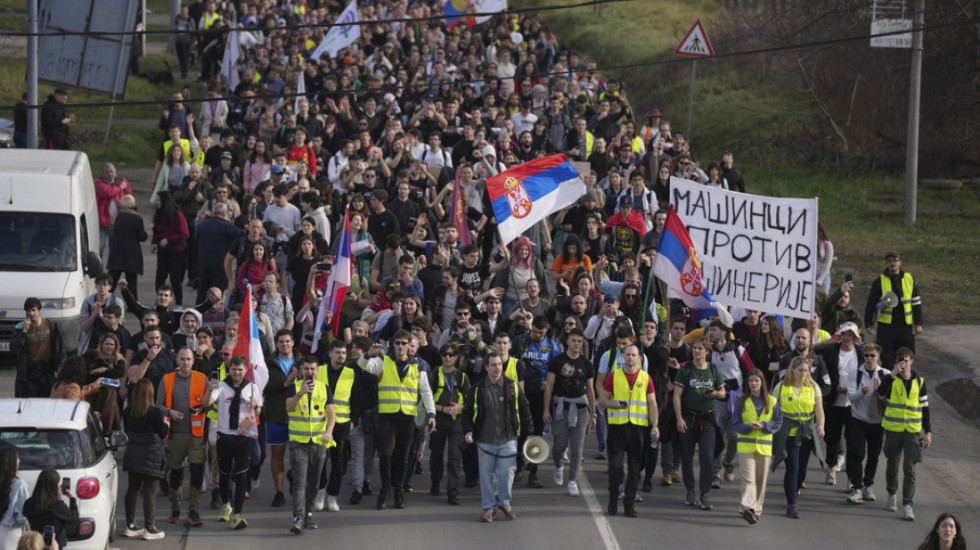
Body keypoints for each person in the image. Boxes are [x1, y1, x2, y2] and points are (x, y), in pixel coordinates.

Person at [356, 330, 436, 510]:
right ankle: (385, 490)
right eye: (397, 343)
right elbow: (363, 365)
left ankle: (398, 491)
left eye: (403, 343)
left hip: (407, 417)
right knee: (385, 454)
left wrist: (431, 414)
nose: (400, 347)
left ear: (409, 346)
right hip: (386, 416)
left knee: (403, 457)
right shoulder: (383, 362)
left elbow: (425, 392)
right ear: (393, 345)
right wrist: (368, 354)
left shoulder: (417, 366)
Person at [462, 352, 532, 523]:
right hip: (485, 440)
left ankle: (504, 502)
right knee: (486, 477)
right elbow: (467, 413)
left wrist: (529, 431)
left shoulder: (512, 386)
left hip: (508, 438)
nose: (497, 368)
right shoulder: (477, 389)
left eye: (499, 364)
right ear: (486, 367)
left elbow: (524, 409)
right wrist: (468, 431)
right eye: (493, 365)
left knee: (507, 472)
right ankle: (489, 509)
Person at [599, 344, 657, 518]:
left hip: (638, 428)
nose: (630, 358)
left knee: (634, 470)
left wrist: (655, 425)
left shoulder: (646, 378)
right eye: (627, 355)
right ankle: (613, 500)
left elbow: (652, 403)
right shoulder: (613, 376)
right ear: (622, 357)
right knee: (615, 467)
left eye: (633, 355)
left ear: (639, 358)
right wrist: (613, 404)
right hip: (617, 427)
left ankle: (629, 504)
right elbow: (603, 400)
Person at [158, 348, 212, 527]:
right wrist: (170, 412)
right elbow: (157, 405)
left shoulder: (201, 378)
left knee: (197, 471)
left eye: (188, 359)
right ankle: (175, 508)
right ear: (177, 361)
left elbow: (209, 404)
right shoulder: (167, 379)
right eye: (182, 359)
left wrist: (202, 408)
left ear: (193, 361)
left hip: (196, 434)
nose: (185, 362)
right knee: (176, 473)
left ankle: (194, 511)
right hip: (176, 433)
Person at [877, 347, 932, 521]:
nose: (903, 363)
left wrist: (928, 431)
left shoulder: (920, 382)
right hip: (893, 430)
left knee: (910, 468)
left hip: (913, 431)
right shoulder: (891, 379)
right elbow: (880, 392)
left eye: (906, 360)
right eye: (900, 360)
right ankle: (892, 493)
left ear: (912, 361)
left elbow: (925, 409)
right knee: (892, 464)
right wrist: (892, 373)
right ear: (896, 362)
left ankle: (908, 504)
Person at [673, 336, 725, 511]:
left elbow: (723, 392)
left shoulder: (714, 370)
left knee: (707, 457)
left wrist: (715, 394)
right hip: (688, 417)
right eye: (694, 348)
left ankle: (704, 494)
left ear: (707, 352)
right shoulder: (685, 370)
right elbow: (677, 396)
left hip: (707, 419)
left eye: (700, 349)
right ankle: (690, 490)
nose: (696, 351)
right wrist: (679, 418)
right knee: (686, 456)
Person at [542, 329, 596, 496]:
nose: (576, 344)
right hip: (561, 407)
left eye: (579, 341)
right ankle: (558, 465)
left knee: (577, 447)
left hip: (581, 408)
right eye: (574, 340)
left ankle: (573, 480)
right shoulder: (557, 361)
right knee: (559, 445)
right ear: (568, 341)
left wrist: (593, 413)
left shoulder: (586, 364)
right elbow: (549, 387)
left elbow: (590, 389)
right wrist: (546, 410)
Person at [211, 354, 262, 530]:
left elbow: (259, 410)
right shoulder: (221, 385)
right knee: (224, 474)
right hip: (224, 437)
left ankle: (238, 515)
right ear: (229, 369)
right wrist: (209, 393)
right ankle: (226, 503)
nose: (237, 373)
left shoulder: (252, 388)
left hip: (243, 437)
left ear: (246, 369)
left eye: (240, 369)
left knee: (241, 476)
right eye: (234, 369)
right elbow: (210, 400)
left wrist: (255, 406)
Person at [285, 356, 336, 534]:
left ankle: (309, 513)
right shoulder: (293, 387)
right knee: (299, 482)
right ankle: (297, 518)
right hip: (298, 443)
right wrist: (300, 393)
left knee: (314, 483)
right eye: (306, 369)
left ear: (317, 370)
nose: (309, 372)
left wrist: (329, 432)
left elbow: (331, 414)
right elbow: (289, 408)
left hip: (318, 443)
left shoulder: (324, 388)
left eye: (313, 369)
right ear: (301, 370)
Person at [771, 356, 826, 519]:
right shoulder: (781, 387)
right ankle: (791, 504)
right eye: (800, 370)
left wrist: (820, 425)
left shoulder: (813, 387)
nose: (803, 373)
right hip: (788, 432)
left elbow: (819, 410)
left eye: (806, 370)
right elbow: (772, 410)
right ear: (793, 370)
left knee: (802, 469)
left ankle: (794, 489)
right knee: (792, 468)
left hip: (806, 432)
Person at [121, 378, 168, 540]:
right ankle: (150, 527)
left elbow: (127, 431)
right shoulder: (155, 412)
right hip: (151, 454)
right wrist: (166, 424)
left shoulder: (127, 411)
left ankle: (130, 525)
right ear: (151, 393)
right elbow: (162, 433)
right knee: (150, 491)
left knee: (133, 489)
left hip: (133, 453)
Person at [733, 370, 782, 524]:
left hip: (764, 447)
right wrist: (748, 426)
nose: (753, 384)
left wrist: (764, 426)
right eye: (751, 381)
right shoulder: (741, 401)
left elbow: (778, 421)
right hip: (746, 448)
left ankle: (757, 510)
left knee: (760, 480)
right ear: (747, 383)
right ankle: (748, 507)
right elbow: (736, 424)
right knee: (748, 479)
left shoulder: (772, 401)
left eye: (756, 381)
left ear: (762, 383)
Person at [427, 342, 471, 505]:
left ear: (456, 357)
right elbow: (427, 399)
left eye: (451, 355)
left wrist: (460, 407)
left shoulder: (461, 376)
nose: (447, 357)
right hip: (438, 420)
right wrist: (443, 409)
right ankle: (435, 481)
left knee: (454, 456)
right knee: (436, 455)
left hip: (456, 422)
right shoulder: (434, 375)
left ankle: (453, 492)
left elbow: (470, 401)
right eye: (444, 354)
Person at [845, 343, 888, 504]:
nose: (869, 359)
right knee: (857, 454)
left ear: (878, 356)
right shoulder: (854, 374)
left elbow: (888, 400)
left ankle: (867, 485)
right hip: (858, 419)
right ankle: (856, 487)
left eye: (872, 355)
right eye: (866, 356)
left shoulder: (886, 374)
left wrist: (879, 391)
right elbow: (850, 397)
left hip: (877, 421)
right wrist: (861, 393)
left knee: (874, 455)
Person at [864, 251, 923, 370]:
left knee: (906, 358)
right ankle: (889, 386)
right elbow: (871, 304)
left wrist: (918, 323)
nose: (892, 264)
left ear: (900, 262)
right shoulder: (879, 281)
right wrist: (868, 324)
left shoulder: (909, 279)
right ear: (886, 263)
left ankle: (904, 383)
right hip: (886, 328)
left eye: (895, 260)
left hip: (904, 327)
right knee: (887, 361)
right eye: (889, 261)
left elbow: (916, 303)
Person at [821, 321, 862, 486]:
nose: (846, 338)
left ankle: (852, 478)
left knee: (853, 441)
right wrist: (834, 387)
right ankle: (831, 467)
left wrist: (853, 390)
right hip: (834, 402)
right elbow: (824, 372)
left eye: (850, 335)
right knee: (832, 439)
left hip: (853, 404)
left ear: (855, 337)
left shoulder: (860, 352)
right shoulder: (831, 352)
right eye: (844, 334)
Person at [11, 297, 66, 398]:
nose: (31, 313)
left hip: (46, 371)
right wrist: (24, 331)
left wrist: (61, 364)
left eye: (33, 310)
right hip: (29, 373)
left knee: (47, 402)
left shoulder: (50, 325)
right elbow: (14, 348)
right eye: (28, 311)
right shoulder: (20, 328)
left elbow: (61, 346)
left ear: (39, 310)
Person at [152, 191, 190, 305]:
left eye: (158, 200)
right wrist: (154, 242)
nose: (157, 202)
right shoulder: (159, 213)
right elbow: (156, 231)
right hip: (162, 250)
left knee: (175, 278)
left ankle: (179, 302)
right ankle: (159, 300)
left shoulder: (177, 214)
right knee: (160, 276)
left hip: (176, 250)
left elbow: (184, 233)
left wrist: (168, 239)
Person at [23, 469, 78, 549]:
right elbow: (73, 519)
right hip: (54, 545)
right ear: (53, 486)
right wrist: (72, 499)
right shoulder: (57, 505)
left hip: (35, 544)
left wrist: (57, 496)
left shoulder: (28, 503)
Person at [107, 195, 147, 296]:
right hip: (131, 253)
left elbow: (111, 233)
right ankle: (132, 304)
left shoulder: (115, 216)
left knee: (111, 280)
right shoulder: (137, 218)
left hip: (117, 252)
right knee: (131, 282)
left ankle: (104, 300)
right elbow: (142, 237)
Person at [0, 447, 30, 549]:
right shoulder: (19, 484)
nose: (19, 460)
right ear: (11, 462)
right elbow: (22, 516)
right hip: (11, 534)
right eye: (17, 458)